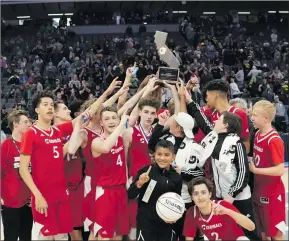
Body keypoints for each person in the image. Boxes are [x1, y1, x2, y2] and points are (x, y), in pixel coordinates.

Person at [182, 87, 260, 240]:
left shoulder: (236, 143)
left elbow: (244, 173)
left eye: (219, 120)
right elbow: (203, 121)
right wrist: (189, 100)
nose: (215, 120)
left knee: (248, 232)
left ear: (225, 125)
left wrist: (232, 194)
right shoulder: (215, 138)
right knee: (226, 231)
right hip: (221, 196)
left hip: (239, 197)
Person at [19, 90, 96, 240]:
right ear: (36, 110)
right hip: (43, 197)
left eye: (51, 105)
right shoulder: (31, 134)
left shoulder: (57, 131)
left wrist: (107, 93)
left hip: (62, 196)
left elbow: (85, 116)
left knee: (62, 237)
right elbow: (23, 169)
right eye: (45, 105)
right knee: (46, 237)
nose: (49, 108)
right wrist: (37, 195)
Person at [128, 140, 182, 241]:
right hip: (146, 224)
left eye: (167, 155)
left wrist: (174, 217)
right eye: (159, 154)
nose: (162, 158)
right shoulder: (145, 171)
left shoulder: (176, 177)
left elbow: (177, 201)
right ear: (154, 155)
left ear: (173, 157)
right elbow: (130, 194)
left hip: (166, 226)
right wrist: (139, 183)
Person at [123, 98, 160, 241]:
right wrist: (127, 182)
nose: (149, 116)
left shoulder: (158, 133)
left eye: (152, 113)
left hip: (154, 184)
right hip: (135, 183)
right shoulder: (129, 132)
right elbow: (124, 162)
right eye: (146, 112)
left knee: (151, 224)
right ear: (139, 112)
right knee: (133, 225)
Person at [249, 100, 286, 240]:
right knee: (263, 233)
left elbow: (280, 170)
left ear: (266, 118)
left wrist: (256, 170)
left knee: (276, 235)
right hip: (259, 190)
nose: (252, 118)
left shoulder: (274, 140)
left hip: (272, 194)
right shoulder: (258, 133)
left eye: (255, 115)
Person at [183, 177, 255, 241]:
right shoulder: (192, 212)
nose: (200, 197)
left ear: (210, 194)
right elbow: (189, 238)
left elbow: (251, 227)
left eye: (203, 192)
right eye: (196, 194)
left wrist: (227, 211)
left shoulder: (222, 205)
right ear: (192, 197)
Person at [1, 110, 33, 241]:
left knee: (26, 236)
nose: (29, 124)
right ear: (15, 124)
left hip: (28, 201)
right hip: (10, 201)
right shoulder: (5, 147)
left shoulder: (32, 145)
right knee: (11, 237)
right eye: (25, 122)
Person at [204, 79, 250, 153]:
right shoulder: (210, 113)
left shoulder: (239, 113)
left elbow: (246, 144)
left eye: (207, 95)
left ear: (214, 95)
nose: (206, 99)